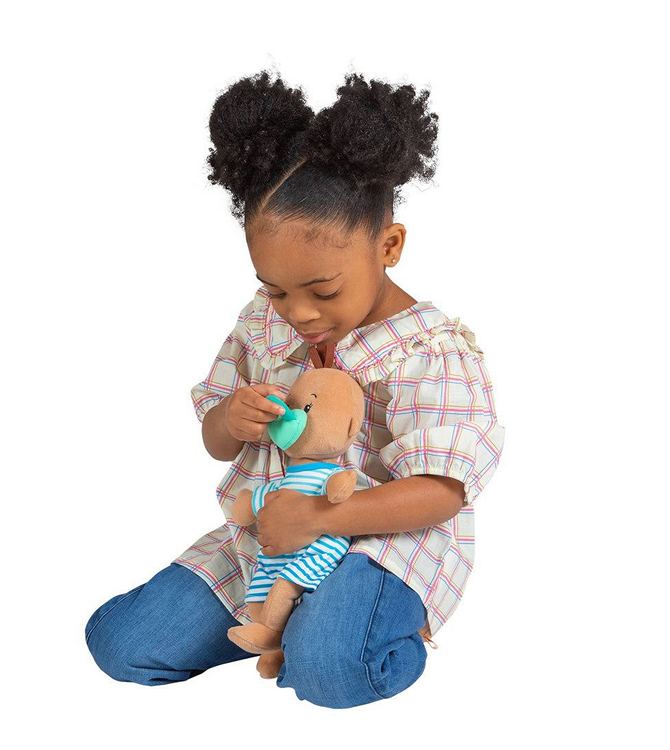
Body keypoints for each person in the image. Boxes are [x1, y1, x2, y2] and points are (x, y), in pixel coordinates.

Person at [85, 70, 506, 709]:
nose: (298, 312)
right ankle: (280, 623)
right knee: (119, 641)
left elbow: (440, 493)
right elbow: (216, 442)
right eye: (277, 288)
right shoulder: (264, 320)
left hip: (381, 545)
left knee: (329, 671)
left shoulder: (432, 352)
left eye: (323, 290)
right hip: (273, 542)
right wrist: (233, 417)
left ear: (388, 245)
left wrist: (323, 516)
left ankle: (356, 639)